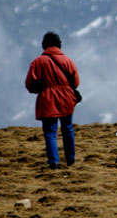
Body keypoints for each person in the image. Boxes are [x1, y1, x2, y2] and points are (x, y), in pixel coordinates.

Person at [25, 32, 80, 169]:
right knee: (68, 129)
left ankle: (54, 162)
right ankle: (71, 159)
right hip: (67, 98)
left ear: (44, 45)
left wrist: (40, 89)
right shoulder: (68, 61)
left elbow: (30, 84)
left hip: (48, 99)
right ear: (59, 45)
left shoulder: (38, 62)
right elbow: (76, 82)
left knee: (50, 132)